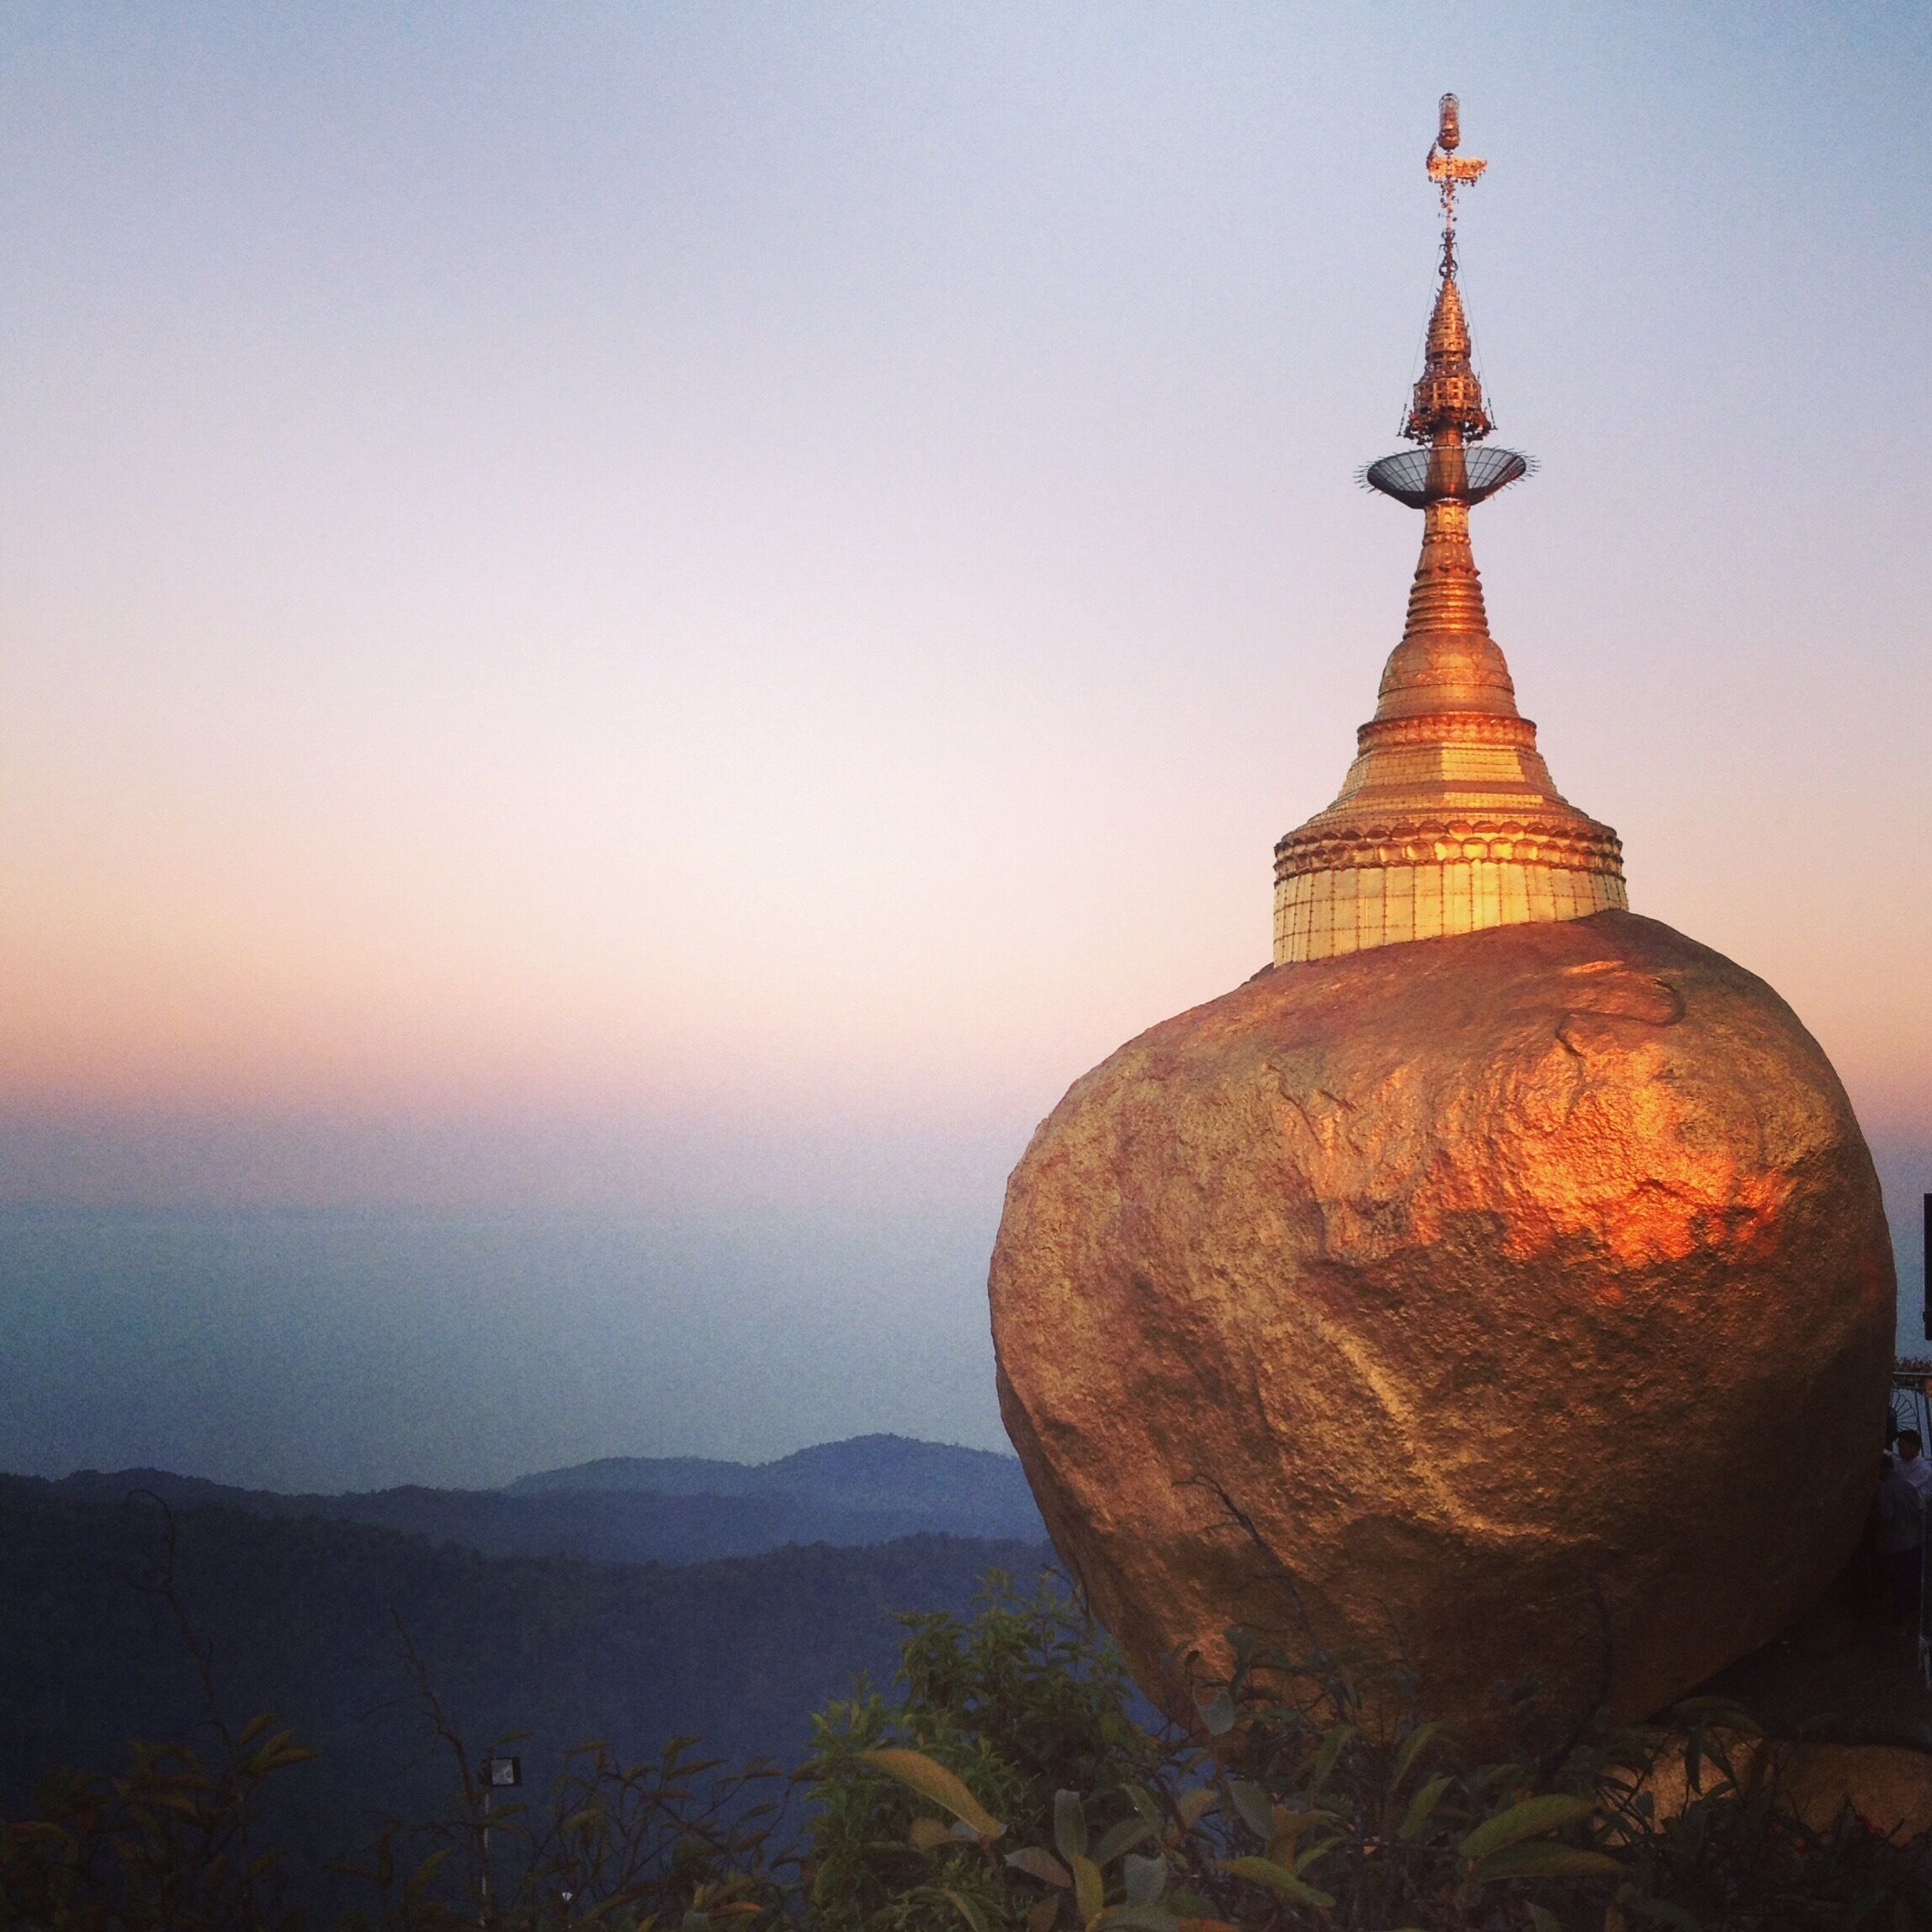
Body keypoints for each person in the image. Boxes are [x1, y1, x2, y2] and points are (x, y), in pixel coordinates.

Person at [1874, 1451, 1926, 1631]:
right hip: (1914, 1540)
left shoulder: (1885, 1489)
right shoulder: (1907, 1484)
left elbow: (1886, 1516)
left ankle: (1901, 1620)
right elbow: (1919, 1507)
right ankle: (1915, 1611)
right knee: (1912, 1578)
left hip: (1896, 1543)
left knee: (1898, 1582)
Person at [1896, 1429, 1932, 1505]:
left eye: (1902, 1447)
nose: (1899, 1450)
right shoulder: (1900, 1461)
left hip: (1919, 1508)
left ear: (1913, 1447)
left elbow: (1906, 1487)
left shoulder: (1923, 1468)